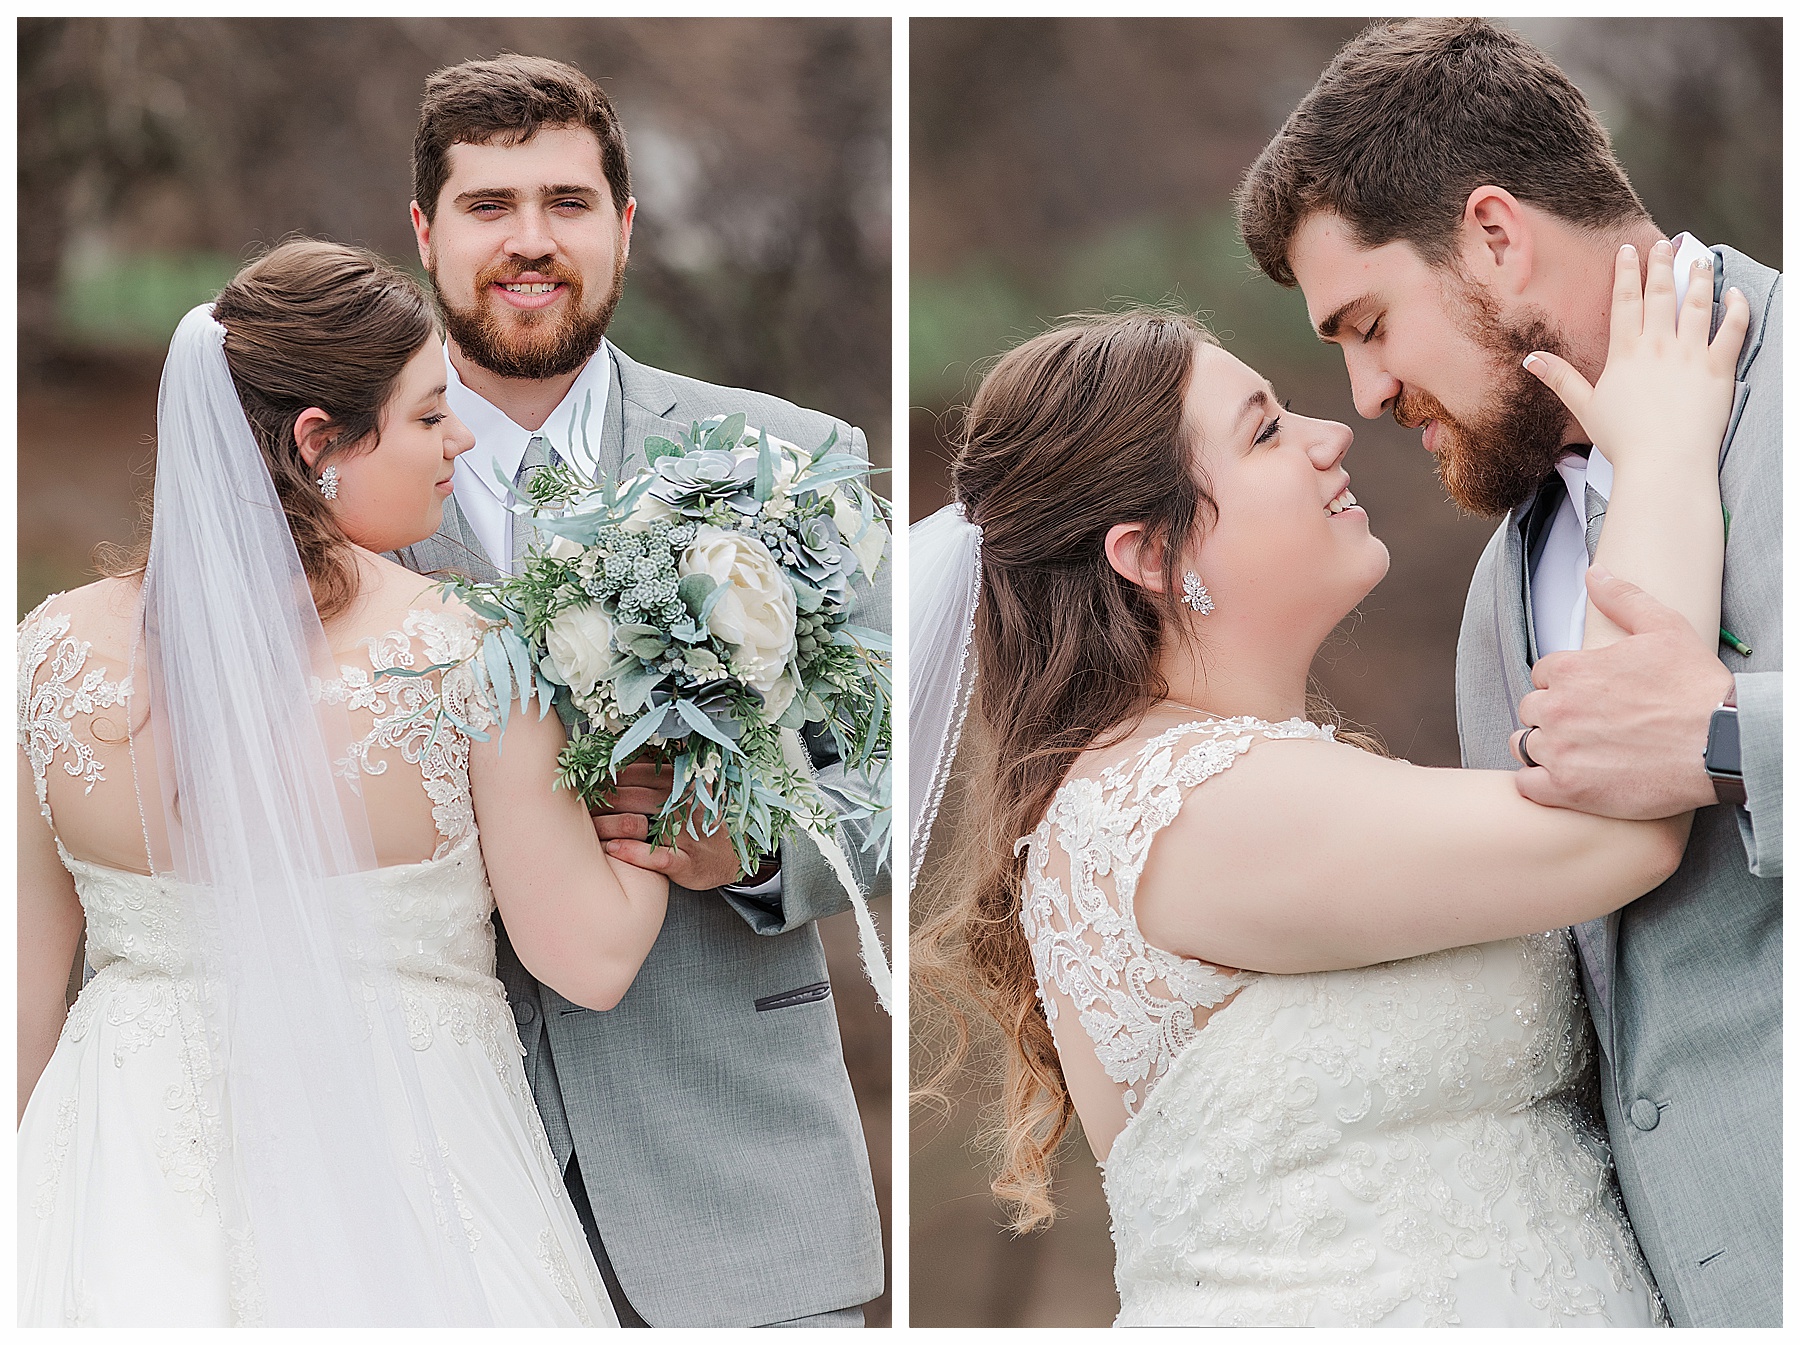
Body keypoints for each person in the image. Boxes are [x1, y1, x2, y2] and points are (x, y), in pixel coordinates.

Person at [913, 234, 1745, 1325]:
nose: (1328, 432)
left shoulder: (1273, 778)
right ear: (1150, 556)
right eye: (1264, 431)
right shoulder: (1183, 811)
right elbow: (1618, 829)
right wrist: (1667, 458)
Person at [1234, 19, 1780, 1327]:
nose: (1363, 393)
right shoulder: (1504, 590)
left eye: (1368, 324)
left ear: (1493, 234)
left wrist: (1735, 734)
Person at [17, 240, 676, 1324]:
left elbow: (23, 999)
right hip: (418, 1177)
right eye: (427, 416)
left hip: (116, 1188)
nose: (458, 437)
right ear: (320, 441)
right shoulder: (462, 652)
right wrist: (665, 757)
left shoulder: (47, 655)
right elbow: (590, 958)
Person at [390, 55, 885, 1328]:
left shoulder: (794, 460)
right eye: (490, 206)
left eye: (565, 202)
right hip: (428, 1193)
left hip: (741, 1190)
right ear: (425, 234)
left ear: (622, 228)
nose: (529, 242)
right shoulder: (331, 503)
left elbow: (898, 786)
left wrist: (753, 850)